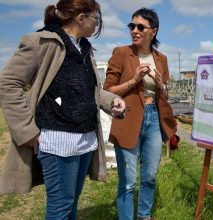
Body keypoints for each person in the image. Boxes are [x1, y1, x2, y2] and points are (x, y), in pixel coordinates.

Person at [0, 0, 126, 219]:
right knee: (60, 207)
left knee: (70, 204)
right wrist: (27, 131)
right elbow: (7, 84)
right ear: (81, 18)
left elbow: (89, 90)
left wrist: (111, 100)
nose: (97, 24)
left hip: (85, 140)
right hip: (57, 142)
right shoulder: (41, 42)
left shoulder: (83, 47)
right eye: (96, 18)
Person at [103, 7, 177, 220]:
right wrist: (134, 81)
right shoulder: (121, 53)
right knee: (128, 180)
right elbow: (107, 91)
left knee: (150, 176)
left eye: (140, 27)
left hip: (154, 118)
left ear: (153, 32)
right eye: (131, 26)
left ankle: (144, 215)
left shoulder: (161, 58)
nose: (134, 30)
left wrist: (161, 86)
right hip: (128, 118)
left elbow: (166, 93)